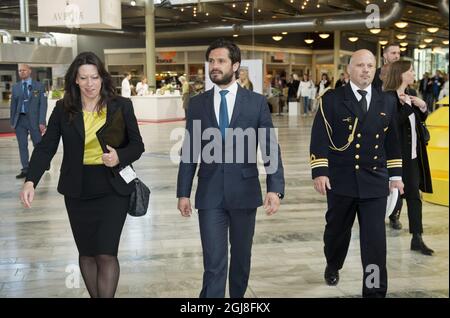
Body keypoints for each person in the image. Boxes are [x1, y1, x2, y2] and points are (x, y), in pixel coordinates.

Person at [20, 52, 145, 298]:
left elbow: (137, 145)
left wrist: (119, 156)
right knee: (87, 253)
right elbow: (46, 147)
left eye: (95, 77)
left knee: (106, 253)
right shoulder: (63, 109)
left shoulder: (121, 105)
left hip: (113, 189)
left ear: (102, 78)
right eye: (84, 78)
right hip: (78, 190)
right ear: (75, 80)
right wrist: (30, 180)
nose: (90, 84)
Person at [177, 38, 285, 298]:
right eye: (211, 61)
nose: (214, 66)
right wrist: (183, 192)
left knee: (240, 260)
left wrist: (275, 188)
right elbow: (190, 151)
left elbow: (269, 146)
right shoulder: (198, 103)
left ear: (235, 65)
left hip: (244, 192)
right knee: (213, 263)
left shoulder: (256, 102)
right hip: (210, 193)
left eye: (221, 61)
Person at [310, 49, 404, 298]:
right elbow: (319, 136)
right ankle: (333, 263)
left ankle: (374, 291)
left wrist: (395, 176)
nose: (365, 70)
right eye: (360, 65)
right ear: (348, 70)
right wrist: (320, 170)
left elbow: (393, 141)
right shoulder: (331, 100)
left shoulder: (387, 100)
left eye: (370, 66)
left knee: (374, 244)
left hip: (375, 182)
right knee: (336, 234)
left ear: (376, 70)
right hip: (340, 181)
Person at [383, 60, 434, 255]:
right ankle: (377, 234)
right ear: (401, 74)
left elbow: (416, 122)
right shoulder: (387, 97)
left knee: (415, 197)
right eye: (411, 71)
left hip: (412, 157)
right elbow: (391, 124)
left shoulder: (411, 95)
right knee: (390, 198)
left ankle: (417, 238)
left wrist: (422, 108)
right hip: (395, 159)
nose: (414, 74)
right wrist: (405, 107)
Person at [10, 64, 48, 179]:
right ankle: (25, 169)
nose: (21, 72)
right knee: (22, 145)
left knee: (38, 144)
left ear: (30, 71)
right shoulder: (15, 87)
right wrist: (13, 121)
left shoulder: (39, 86)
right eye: (20, 71)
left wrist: (42, 121)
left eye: (24, 70)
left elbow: (43, 105)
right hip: (20, 120)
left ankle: (43, 163)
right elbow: (13, 106)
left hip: (35, 120)